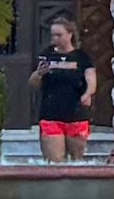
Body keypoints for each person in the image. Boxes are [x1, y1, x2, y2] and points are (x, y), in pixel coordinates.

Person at [30, 13, 94, 159]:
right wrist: (39, 74)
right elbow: (33, 83)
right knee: (54, 160)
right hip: (51, 113)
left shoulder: (81, 57)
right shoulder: (47, 55)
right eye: (53, 35)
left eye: (59, 35)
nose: (55, 39)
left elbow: (91, 79)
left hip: (76, 113)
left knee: (77, 159)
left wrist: (87, 93)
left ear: (70, 34)